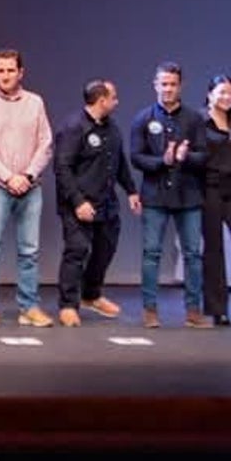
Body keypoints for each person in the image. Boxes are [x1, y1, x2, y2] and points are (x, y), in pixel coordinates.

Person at [0, 49, 54, 328]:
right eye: (0, 70)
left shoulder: (35, 102)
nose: (5, 75)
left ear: (21, 73)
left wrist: (28, 175)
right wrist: (9, 177)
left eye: (10, 70)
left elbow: (46, 143)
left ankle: (28, 306)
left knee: (29, 250)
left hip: (30, 186)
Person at [53, 80, 141, 327]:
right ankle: (68, 304)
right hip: (77, 203)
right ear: (102, 100)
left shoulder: (112, 128)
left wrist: (131, 191)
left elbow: (119, 161)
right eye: (114, 97)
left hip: (106, 203)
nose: (117, 102)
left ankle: (91, 295)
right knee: (77, 250)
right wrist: (78, 202)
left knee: (105, 249)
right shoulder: (74, 127)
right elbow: (62, 168)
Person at [131, 61, 211, 328]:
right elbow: (136, 157)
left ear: (181, 86)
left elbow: (203, 155)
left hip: (188, 195)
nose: (167, 89)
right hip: (155, 196)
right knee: (151, 252)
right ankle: (150, 309)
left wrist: (185, 157)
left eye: (172, 85)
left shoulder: (194, 118)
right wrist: (161, 161)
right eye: (163, 84)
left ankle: (193, 310)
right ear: (155, 85)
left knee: (192, 254)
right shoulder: (143, 118)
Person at [202, 75, 231, 326]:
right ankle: (217, 309)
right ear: (210, 94)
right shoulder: (200, 121)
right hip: (210, 188)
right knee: (214, 249)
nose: (226, 97)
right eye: (222, 92)